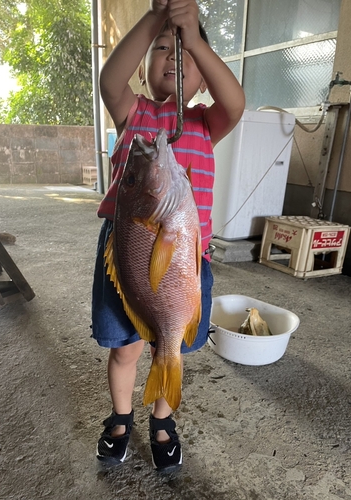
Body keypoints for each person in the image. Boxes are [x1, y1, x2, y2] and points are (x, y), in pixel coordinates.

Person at [91, 0, 245, 472]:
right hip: (130, 254)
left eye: (188, 55)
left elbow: (235, 102)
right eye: (162, 49)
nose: (175, 56)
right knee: (125, 348)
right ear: (143, 68)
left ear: (201, 78)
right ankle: (121, 418)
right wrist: (157, 18)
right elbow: (109, 82)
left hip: (183, 259)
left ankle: (162, 421)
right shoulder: (131, 115)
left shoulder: (204, 121)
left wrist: (192, 34)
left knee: (169, 344)